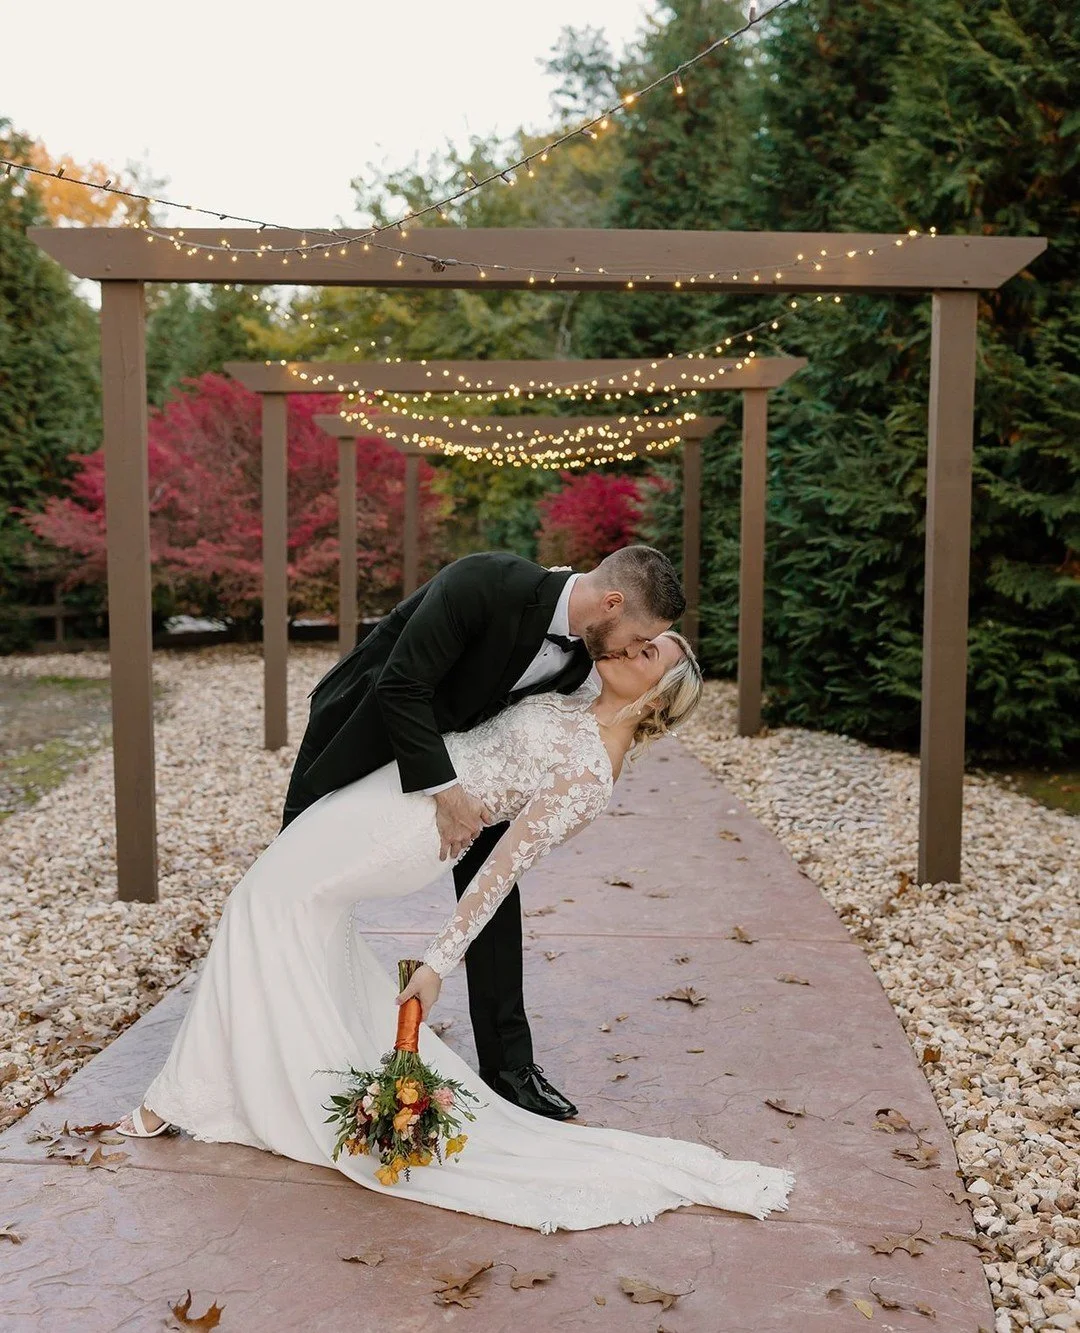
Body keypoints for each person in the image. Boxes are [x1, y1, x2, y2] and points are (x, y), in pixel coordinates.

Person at [117, 627, 795, 1233]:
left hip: (412, 827)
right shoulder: (580, 694)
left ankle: (176, 1097)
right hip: (405, 782)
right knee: (287, 909)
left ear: (656, 700)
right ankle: (261, 1075)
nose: (630, 647)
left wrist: (438, 962)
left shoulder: (591, 776)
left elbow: (501, 869)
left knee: (260, 897)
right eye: (639, 638)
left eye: (648, 654)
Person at [280, 545, 687, 1120]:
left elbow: (593, 731)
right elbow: (401, 686)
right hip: (365, 731)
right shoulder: (485, 582)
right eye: (636, 638)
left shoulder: (586, 656)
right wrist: (446, 792)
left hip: (477, 776)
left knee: (496, 889)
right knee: (291, 883)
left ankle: (509, 1067)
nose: (628, 650)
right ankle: (293, 1030)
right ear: (612, 604)